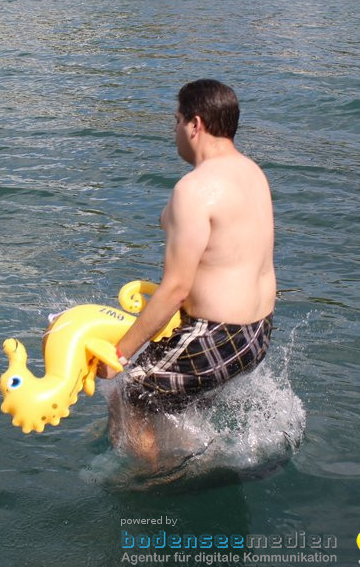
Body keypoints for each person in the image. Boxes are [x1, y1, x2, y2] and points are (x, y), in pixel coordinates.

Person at [99, 80, 277, 462]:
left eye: (176, 120)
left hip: (218, 335)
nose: (174, 130)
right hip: (257, 333)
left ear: (195, 124)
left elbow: (175, 289)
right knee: (170, 391)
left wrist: (119, 355)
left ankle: (149, 484)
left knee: (129, 393)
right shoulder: (251, 172)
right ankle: (192, 450)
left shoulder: (193, 189)